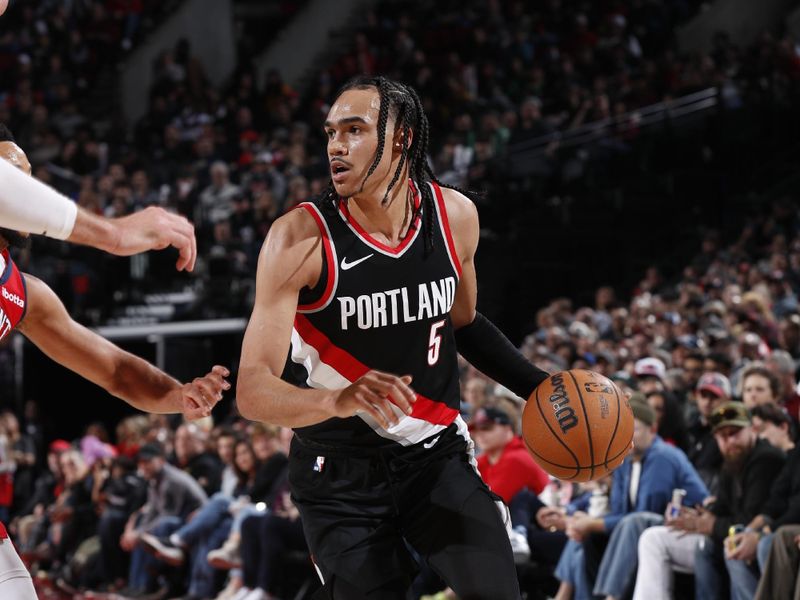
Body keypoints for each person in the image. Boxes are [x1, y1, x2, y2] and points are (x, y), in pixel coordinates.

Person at [236, 75, 554, 599]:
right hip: (338, 473)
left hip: (434, 456)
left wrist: (540, 387)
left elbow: (464, 324)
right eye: (331, 133)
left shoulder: (454, 216)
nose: (336, 145)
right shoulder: (299, 239)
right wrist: (337, 399)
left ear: (401, 137)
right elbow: (252, 389)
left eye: (355, 130)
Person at [0, 133, 230, 597]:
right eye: (12, 173)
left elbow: (114, 369)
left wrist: (175, 395)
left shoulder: (21, 292)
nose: (23, 182)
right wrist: (116, 233)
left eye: (26, 174)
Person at [632, 402, 785, 600]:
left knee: (721, 546)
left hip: (761, 536)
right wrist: (696, 516)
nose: (730, 441)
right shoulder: (732, 460)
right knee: (659, 538)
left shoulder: (765, 459)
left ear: (752, 429)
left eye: (735, 432)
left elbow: (749, 520)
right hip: (731, 536)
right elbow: (722, 505)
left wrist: (710, 525)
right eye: (722, 436)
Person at [0, 126, 198, 271]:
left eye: (28, 178)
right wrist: (116, 234)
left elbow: (67, 328)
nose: (25, 188)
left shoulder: (20, 289)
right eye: (15, 177)